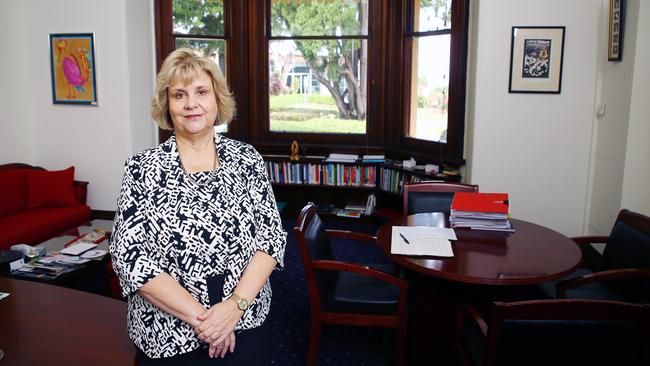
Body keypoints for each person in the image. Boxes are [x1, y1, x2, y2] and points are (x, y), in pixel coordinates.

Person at [109, 48, 286, 365]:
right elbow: (131, 259)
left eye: (201, 92)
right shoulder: (140, 169)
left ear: (217, 99)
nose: (191, 103)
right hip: (168, 337)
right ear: (167, 105)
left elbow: (271, 239)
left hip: (244, 326)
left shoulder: (247, 160)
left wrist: (233, 308)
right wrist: (207, 321)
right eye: (179, 94)